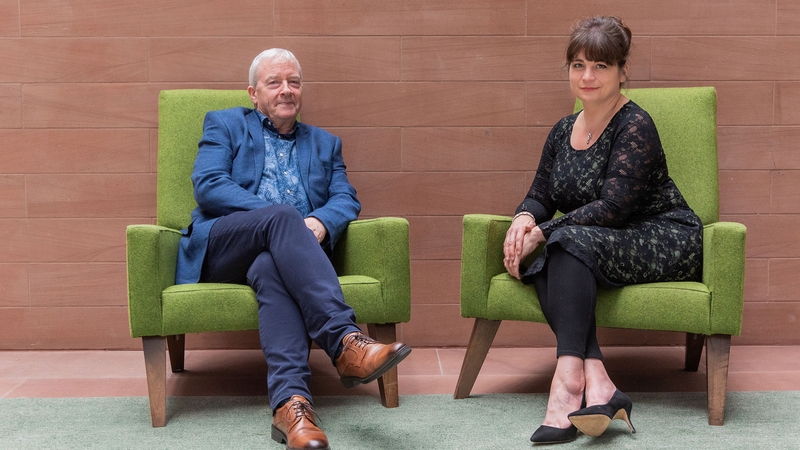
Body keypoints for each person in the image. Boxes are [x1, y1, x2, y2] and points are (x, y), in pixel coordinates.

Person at [175, 48, 411, 450]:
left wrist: (319, 223)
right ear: (253, 92)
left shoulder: (325, 143)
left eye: (294, 82)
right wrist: (282, 218)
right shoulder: (226, 124)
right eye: (275, 82)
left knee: (270, 267)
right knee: (282, 217)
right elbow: (209, 184)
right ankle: (344, 343)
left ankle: (291, 407)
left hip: (284, 257)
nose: (287, 90)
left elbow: (345, 198)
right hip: (224, 246)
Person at [503, 16, 702, 444]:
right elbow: (540, 194)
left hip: (664, 235)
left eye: (601, 66)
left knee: (562, 240)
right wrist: (523, 218)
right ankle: (596, 380)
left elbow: (614, 207)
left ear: (622, 70)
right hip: (596, 238)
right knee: (558, 247)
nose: (587, 76)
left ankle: (566, 386)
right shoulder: (561, 129)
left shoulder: (635, 124)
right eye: (578, 65)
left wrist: (546, 230)